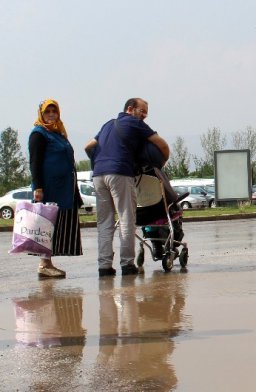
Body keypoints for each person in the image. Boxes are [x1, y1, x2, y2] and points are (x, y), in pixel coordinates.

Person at [85, 98, 169, 277]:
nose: (144, 115)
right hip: (120, 172)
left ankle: (104, 266)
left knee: (105, 223)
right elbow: (161, 144)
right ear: (130, 109)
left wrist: (96, 161)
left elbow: (88, 146)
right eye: (142, 111)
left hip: (98, 175)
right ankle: (127, 264)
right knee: (126, 218)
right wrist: (162, 162)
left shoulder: (108, 124)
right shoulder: (135, 123)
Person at [28, 99, 83, 279]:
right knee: (47, 225)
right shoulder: (39, 134)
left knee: (57, 225)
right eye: (47, 112)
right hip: (49, 188)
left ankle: (48, 262)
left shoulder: (58, 133)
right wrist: (38, 187)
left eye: (54, 111)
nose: (51, 114)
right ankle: (44, 264)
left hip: (63, 188)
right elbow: (35, 162)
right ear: (41, 114)